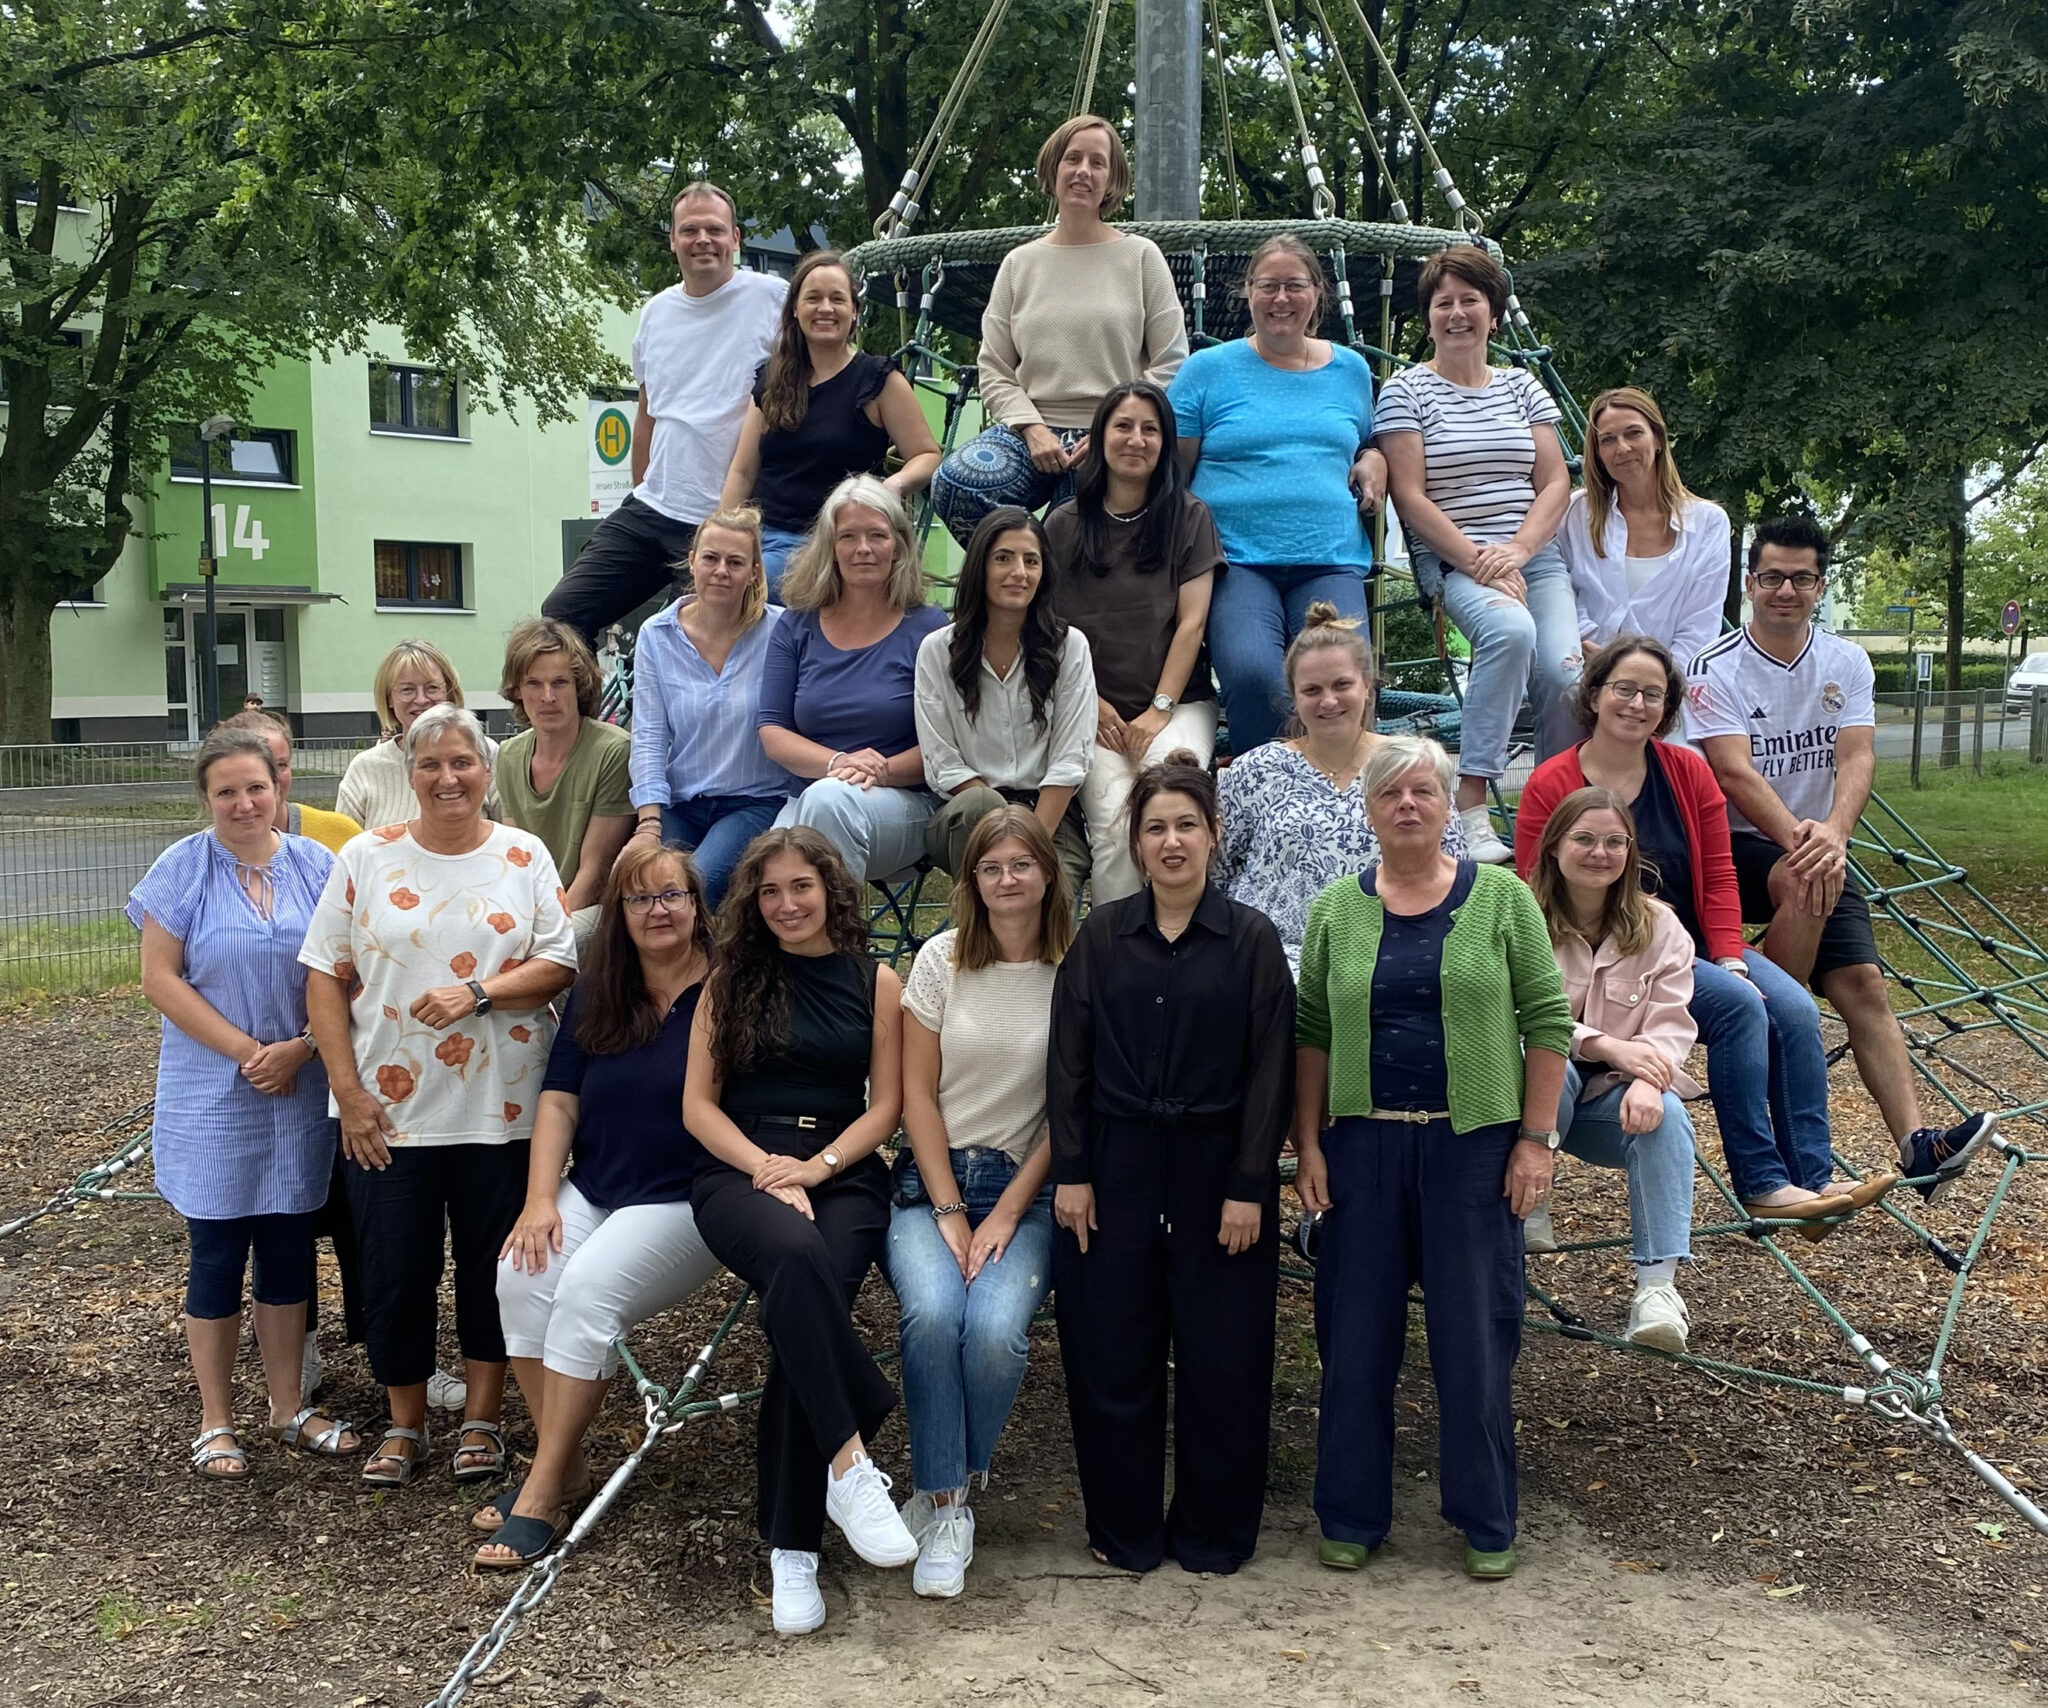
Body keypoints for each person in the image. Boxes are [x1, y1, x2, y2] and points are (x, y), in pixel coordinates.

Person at [1294, 736, 1571, 1579]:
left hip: (1472, 1146)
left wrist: (1534, 1140)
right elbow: (1311, 1032)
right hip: (1362, 1143)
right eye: (1390, 793)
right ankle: (1350, 1513)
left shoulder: (1502, 899)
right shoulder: (1336, 908)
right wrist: (1308, 1144)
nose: (1407, 804)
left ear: (1449, 805)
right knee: (1354, 1337)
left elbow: (1547, 1020)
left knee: (1474, 1338)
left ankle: (1485, 1518)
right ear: (1369, 810)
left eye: (1423, 791)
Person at [300, 704, 578, 1488]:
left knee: (495, 1270)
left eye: (463, 762)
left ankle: (483, 1418)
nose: (448, 777)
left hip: (505, 1109)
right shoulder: (366, 856)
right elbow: (323, 974)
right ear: (410, 773)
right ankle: (405, 1422)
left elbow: (559, 962)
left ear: (487, 772)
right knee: (393, 1272)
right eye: (431, 764)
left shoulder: (523, 854)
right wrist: (347, 1092)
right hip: (388, 1113)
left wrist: (478, 993)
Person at [1515, 635, 1878, 1223]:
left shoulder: (1686, 771)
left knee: (1792, 1007)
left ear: (1667, 708)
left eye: (1652, 695)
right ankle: (1762, 1182)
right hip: (1603, 955)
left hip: (1690, 945)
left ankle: (1813, 1182)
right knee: (1739, 1006)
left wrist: (1731, 955)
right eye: (1624, 689)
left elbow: (1718, 875)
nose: (1637, 704)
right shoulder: (1553, 782)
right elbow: (1534, 891)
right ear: (1595, 695)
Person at [1687, 517, 1998, 1200]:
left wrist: (1834, 833)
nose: (1786, 590)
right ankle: (1777, 1030)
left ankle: (1919, 1147)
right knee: (1802, 882)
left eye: (1801, 578)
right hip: (1733, 842)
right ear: (1750, 584)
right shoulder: (1714, 666)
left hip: (1819, 839)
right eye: (1773, 577)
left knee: (1864, 985)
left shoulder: (1846, 661)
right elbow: (1733, 772)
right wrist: (1808, 844)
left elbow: (1856, 756)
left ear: (1820, 586)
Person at [1048, 753, 1294, 1574]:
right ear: (1136, 843)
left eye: (1187, 824)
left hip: (1219, 1170)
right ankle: (1123, 1529)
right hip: (1114, 1166)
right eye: (1155, 828)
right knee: (1112, 1350)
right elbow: (1068, 1064)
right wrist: (1073, 1172)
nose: (1172, 841)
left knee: (1224, 1358)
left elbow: (1271, 1070)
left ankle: (1213, 1532)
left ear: (1214, 834)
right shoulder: (1101, 936)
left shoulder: (1251, 939)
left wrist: (1250, 1186)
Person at [682, 828, 914, 1636]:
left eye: (801, 887)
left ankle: (792, 1549)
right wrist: (768, 1170)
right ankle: (850, 1462)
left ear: (830, 890)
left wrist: (815, 1169)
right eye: (770, 891)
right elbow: (698, 1107)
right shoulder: (729, 979)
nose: (786, 904)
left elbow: (888, 1106)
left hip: (843, 1169)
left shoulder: (876, 980)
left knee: (801, 1309)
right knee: (793, 1257)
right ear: (754, 901)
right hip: (738, 1167)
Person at [478, 842, 722, 1567]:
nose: (658, 910)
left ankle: (543, 1488)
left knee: (585, 1294)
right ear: (619, 913)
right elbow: (559, 1099)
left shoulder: (732, 985)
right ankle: (570, 1462)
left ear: (696, 903)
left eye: (672, 895)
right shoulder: (601, 986)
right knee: (520, 1277)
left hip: (687, 1196)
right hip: (598, 1183)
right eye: (639, 899)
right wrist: (540, 1198)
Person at [129, 727, 360, 1480]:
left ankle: (288, 1406)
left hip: (300, 1087)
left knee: (290, 1246)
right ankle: (215, 1419)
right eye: (225, 791)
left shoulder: (317, 865)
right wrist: (246, 1051)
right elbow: (160, 978)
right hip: (212, 1093)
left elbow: (348, 971)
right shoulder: (183, 868)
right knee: (219, 1251)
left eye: (255, 787)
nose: (244, 803)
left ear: (279, 786)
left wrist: (302, 1047)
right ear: (206, 798)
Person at [886, 807, 1073, 1599]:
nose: (1006, 879)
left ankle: (944, 1489)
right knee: (934, 1315)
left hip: (1029, 1188)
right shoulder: (942, 960)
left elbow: (1071, 1113)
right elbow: (916, 1096)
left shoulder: (1076, 968)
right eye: (990, 867)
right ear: (972, 881)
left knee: (995, 1332)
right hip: (931, 1183)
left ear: (1048, 875)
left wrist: (1003, 1212)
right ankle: (949, 1506)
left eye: (1021, 864)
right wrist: (951, 1209)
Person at [1375, 247, 1577, 862]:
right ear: (1428, 316)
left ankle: (1557, 815)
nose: (1458, 314)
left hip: (1530, 555)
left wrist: (1517, 550)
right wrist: (1478, 560)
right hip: (1454, 558)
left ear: (1493, 313)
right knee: (1511, 633)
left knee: (1566, 675)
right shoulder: (1406, 391)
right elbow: (1409, 495)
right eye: (1444, 303)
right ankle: (1470, 803)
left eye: (1471, 301)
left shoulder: (1522, 386)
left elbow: (1555, 481)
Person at [542, 182, 786, 643]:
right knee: (561, 615)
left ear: (735, 238)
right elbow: (648, 414)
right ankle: (587, 696)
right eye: (689, 230)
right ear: (673, 240)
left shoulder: (774, 299)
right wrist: (640, 488)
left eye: (715, 229)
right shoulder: (656, 313)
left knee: (691, 641)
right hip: (654, 506)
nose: (702, 240)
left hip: (725, 515)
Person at [1168, 234, 1384, 751]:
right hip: (1237, 560)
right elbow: (1173, 469)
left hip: (1329, 557)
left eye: (1294, 286)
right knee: (1255, 677)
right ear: (1248, 292)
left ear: (1317, 293)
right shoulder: (1207, 369)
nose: (1281, 298)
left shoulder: (1351, 370)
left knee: (1345, 682)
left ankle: (1345, 790)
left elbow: (1364, 440)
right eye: (1268, 286)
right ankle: (1262, 791)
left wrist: (1373, 457)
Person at [929, 116, 1188, 543]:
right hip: (1032, 432)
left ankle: (1055, 570)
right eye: (1073, 159)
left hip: (1112, 434)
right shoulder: (1020, 264)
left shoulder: (1141, 257)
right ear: (1054, 169)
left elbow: (1172, 360)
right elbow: (994, 367)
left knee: (1077, 531)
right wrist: (1030, 428)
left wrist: (1115, 428)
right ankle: (1021, 571)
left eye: (1097, 163)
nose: (1083, 171)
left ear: (1112, 181)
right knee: (956, 484)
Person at [1526, 787, 1701, 1351]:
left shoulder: (1660, 927)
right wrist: (1605, 1044)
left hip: (1607, 1102)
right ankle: (1529, 1199)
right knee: (1552, 1065)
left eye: (1614, 841)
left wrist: (1650, 1078)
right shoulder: (1520, 914)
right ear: (1554, 847)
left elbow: (1672, 1024)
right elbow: (1516, 1016)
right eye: (1584, 839)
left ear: (1630, 851)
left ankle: (1657, 1290)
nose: (1599, 853)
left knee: (1666, 1115)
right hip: (1530, 1103)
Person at [223, 708, 365, 1401]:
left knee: (360, 1218)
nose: (262, 787)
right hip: (260, 1076)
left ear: (287, 772)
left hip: (333, 1065)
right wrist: (257, 1053)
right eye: (244, 777)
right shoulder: (207, 860)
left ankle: (388, 1352)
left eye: (275, 767)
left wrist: (308, 1045)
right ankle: (298, 1352)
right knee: (284, 1225)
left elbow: (358, 959)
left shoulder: (335, 842)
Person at [1043, 382, 1222, 903]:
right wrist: (1091, 704)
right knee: (1117, 829)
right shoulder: (1063, 525)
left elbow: (1192, 625)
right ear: (1099, 437)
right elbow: (1047, 631)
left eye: (1150, 429)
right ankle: (1118, 946)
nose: (1136, 440)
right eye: (1123, 426)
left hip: (1177, 703)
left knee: (1174, 807)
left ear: (1166, 443)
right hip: (1090, 710)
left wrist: (1159, 710)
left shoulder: (1190, 516)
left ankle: (1192, 936)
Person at [1218, 603, 1466, 971]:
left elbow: (1454, 862)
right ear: (1294, 696)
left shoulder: (1410, 765)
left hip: (1393, 958)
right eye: (1312, 690)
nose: (1329, 701)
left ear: (1367, 685)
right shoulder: (1254, 770)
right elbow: (1218, 871)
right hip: (1272, 963)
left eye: (1342, 685)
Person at [758, 476, 947, 881]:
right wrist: (838, 763)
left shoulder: (929, 628)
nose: (863, 548)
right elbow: (772, 731)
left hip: (904, 804)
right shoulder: (796, 625)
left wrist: (882, 771)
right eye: (848, 536)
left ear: (898, 546)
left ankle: (838, 925)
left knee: (823, 812)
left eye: (877, 535)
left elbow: (950, 742)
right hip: (807, 798)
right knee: (767, 874)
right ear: (830, 547)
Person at [720, 250, 941, 591]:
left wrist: (893, 486)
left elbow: (927, 455)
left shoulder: (877, 380)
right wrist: (722, 534)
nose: (825, 308)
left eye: (837, 299)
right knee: (704, 582)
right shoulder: (774, 378)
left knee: (749, 587)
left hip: (828, 541)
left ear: (854, 311)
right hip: (760, 533)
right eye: (813, 298)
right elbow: (743, 470)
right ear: (796, 309)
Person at [913, 507, 1094, 900]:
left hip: (1048, 815)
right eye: (1003, 558)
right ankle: (977, 932)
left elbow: (1070, 760)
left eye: (1031, 561)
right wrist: (1003, 835)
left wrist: (1029, 845)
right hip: (966, 816)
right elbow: (942, 763)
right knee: (980, 807)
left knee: (1045, 902)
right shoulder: (937, 651)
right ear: (980, 567)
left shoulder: (1070, 647)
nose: (1019, 572)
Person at [626, 507, 794, 908]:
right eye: (711, 558)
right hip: (680, 805)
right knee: (642, 887)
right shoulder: (657, 634)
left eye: (735, 562)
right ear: (692, 561)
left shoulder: (782, 630)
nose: (721, 571)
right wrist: (648, 822)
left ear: (754, 572)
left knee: (691, 887)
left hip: (754, 802)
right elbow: (648, 736)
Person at [1558, 386, 1732, 669]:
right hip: (1582, 674)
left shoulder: (1708, 524)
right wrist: (1597, 657)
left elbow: (1700, 628)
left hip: (1667, 685)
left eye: (1634, 433)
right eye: (1608, 440)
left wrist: (1648, 678)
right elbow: (1558, 594)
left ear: (1658, 439)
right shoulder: (1574, 513)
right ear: (1598, 453)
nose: (1622, 448)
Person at [493, 618, 635, 947]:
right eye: (534, 684)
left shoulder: (612, 751)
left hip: (591, 911)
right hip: (532, 909)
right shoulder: (509, 755)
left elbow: (594, 872)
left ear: (578, 687)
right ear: (517, 690)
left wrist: (543, 939)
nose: (548, 697)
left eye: (559, 683)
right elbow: (516, 862)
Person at [336, 638, 499, 833]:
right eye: (407, 690)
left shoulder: (486, 753)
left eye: (432, 688)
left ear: (449, 692)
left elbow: (510, 837)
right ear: (389, 699)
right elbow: (342, 846)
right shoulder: (365, 769)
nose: (421, 700)